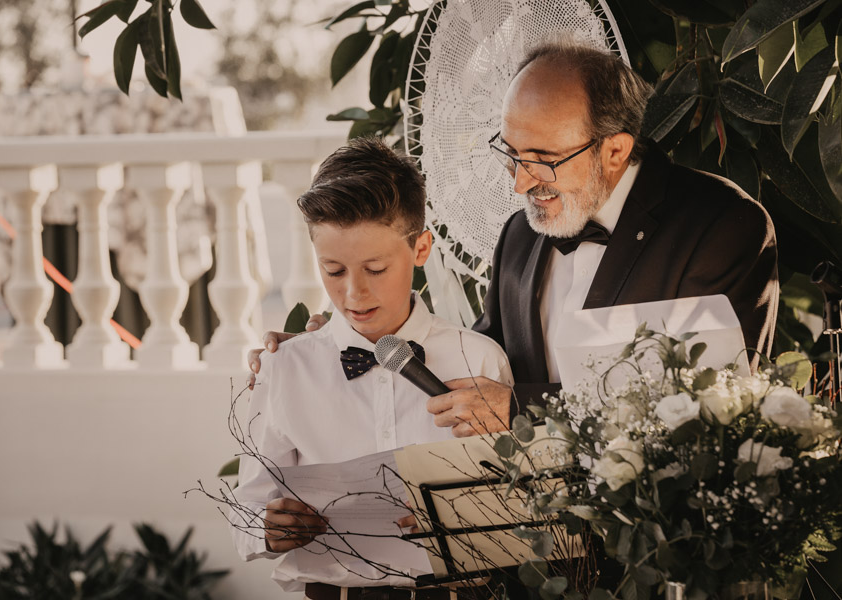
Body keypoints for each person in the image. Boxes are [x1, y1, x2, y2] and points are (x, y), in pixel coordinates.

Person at [251, 42, 779, 439]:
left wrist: (522, 409)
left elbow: (709, 402)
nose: (520, 182)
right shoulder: (522, 232)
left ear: (615, 151)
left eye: (543, 160)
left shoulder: (724, 225)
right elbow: (479, 362)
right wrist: (336, 338)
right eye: (511, 151)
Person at [231, 137, 514, 600]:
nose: (354, 295)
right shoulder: (285, 368)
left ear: (421, 249)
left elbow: (522, 507)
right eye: (334, 270)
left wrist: (468, 519)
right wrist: (264, 528)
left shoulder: (479, 360)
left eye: (376, 268)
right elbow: (247, 501)